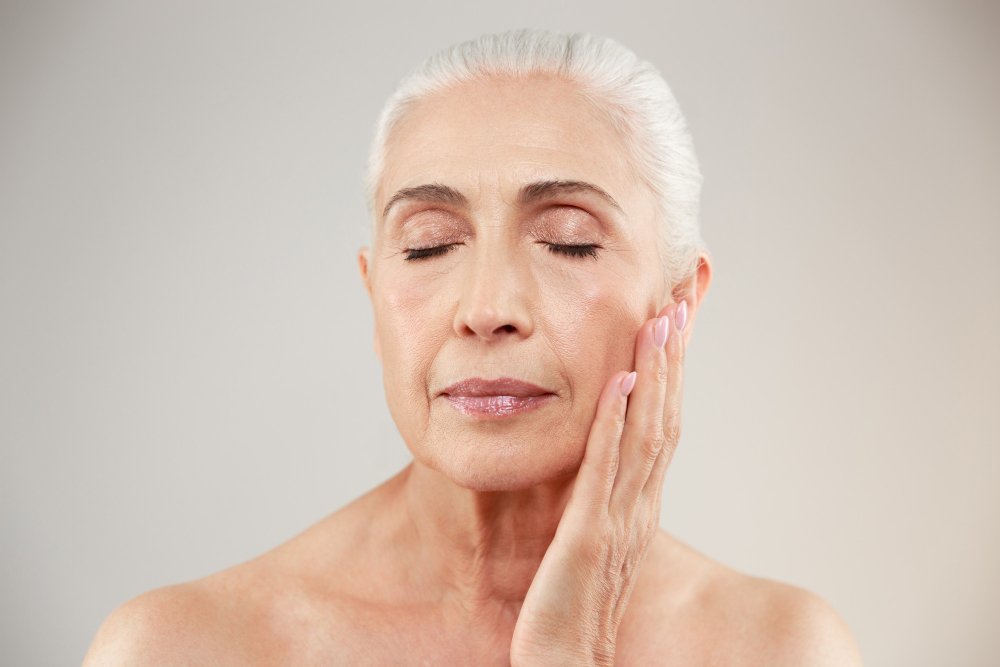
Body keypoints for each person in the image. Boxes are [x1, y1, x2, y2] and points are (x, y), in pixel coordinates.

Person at [83, 28, 863, 665]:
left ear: (679, 302)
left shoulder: (781, 649)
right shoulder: (180, 648)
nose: (487, 310)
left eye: (568, 239)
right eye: (428, 244)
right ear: (374, 292)